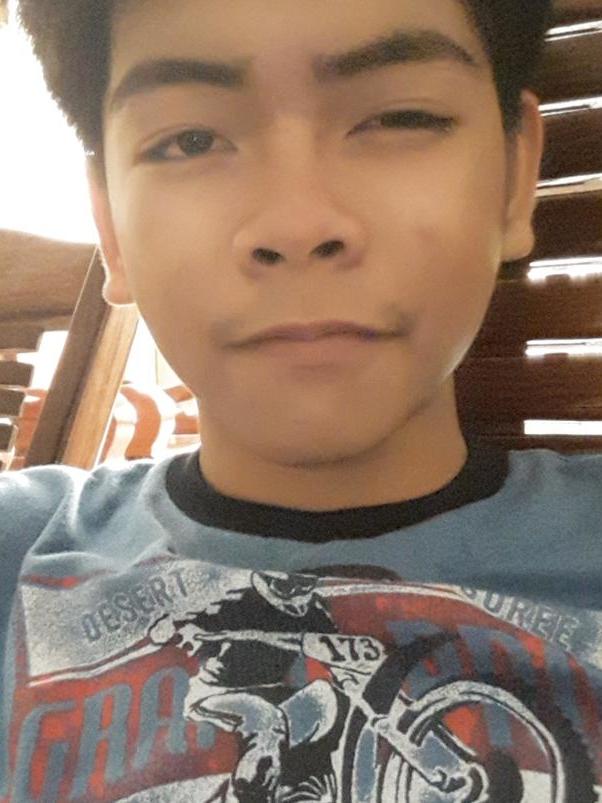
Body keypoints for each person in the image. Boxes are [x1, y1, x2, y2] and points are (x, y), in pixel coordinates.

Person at [2, 0, 602, 800]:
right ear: (110, 225)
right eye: (190, 139)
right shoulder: (20, 545)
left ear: (515, 180)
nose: (296, 222)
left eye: (400, 116)